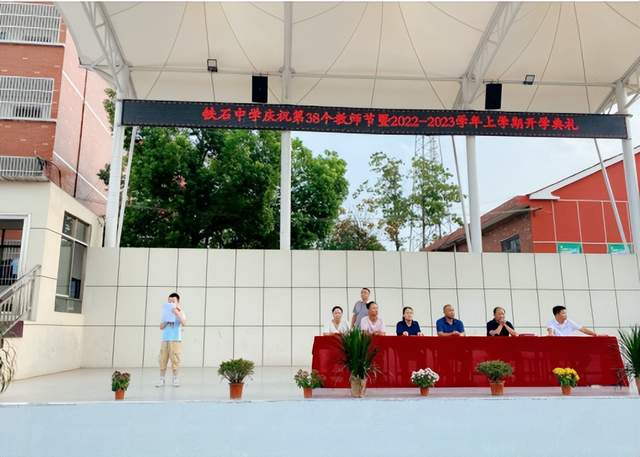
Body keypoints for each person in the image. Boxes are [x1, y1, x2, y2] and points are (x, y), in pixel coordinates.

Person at [156, 292, 186, 387]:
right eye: (169, 301)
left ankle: (175, 379)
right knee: (162, 359)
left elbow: (184, 323)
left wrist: (176, 313)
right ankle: (162, 379)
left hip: (175, 339)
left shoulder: (180, 312)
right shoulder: (165, 312)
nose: (171, 303)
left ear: (178, 302)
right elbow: (161, 327)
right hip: (165, 339)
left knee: (175, 359)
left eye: (173, 301)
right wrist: (166, 320)